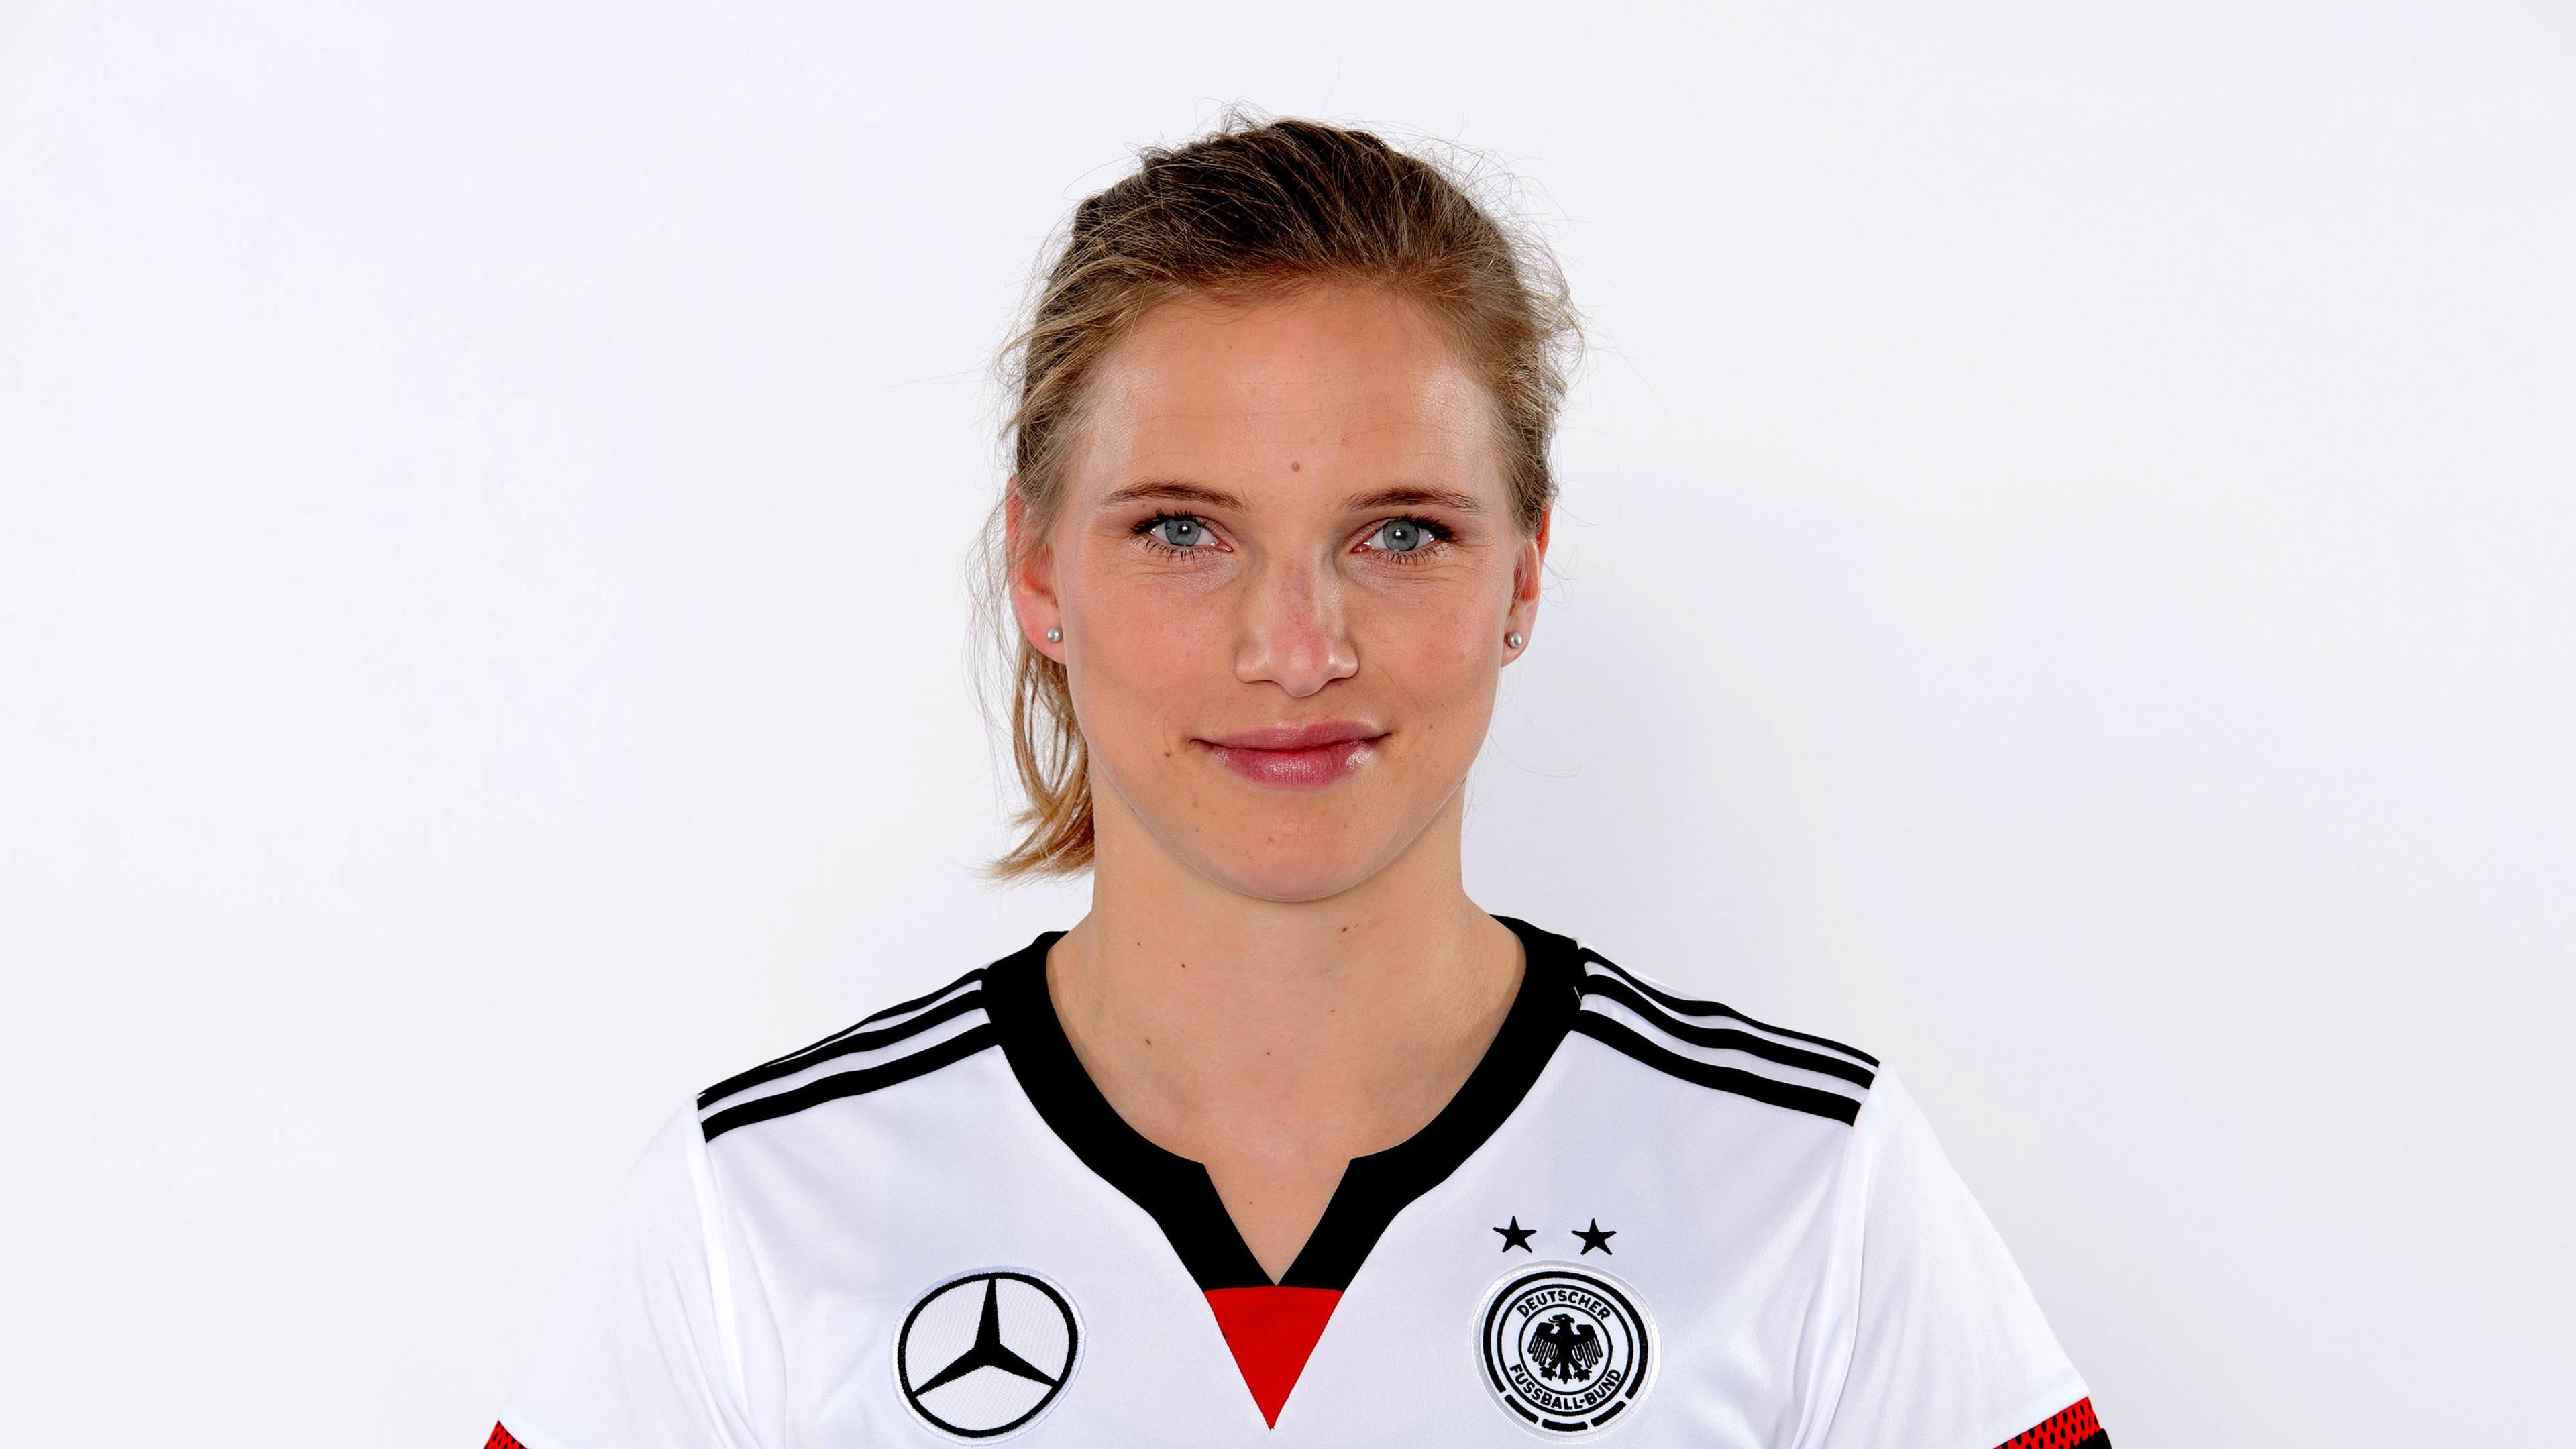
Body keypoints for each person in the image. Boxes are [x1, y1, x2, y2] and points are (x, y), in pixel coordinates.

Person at [486, 116, 2109, 1449]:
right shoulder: (761, 1215)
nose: (1297, 648)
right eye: (1182, 531)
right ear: (1040, 570)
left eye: (1400, 532)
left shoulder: (1805, 1185)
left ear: (1523, 573)